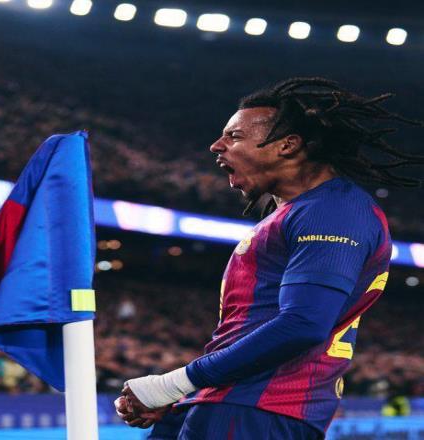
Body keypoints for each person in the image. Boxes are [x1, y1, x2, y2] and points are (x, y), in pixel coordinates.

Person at [115, 77, 424, 439]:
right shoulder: (298, 212)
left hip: (260, 409)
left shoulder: (333, 209)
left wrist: (175, 382)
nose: (216, 146)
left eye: (234, 136)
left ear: (287, 145)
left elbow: (304, 322)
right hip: (227, 400)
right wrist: (185, 393)